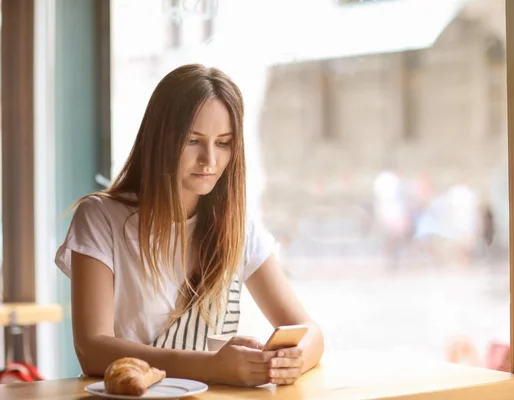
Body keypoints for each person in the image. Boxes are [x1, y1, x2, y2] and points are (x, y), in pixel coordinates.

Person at [55, 64, 324, 387]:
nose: (209, 160)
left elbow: (310, 332)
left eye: (223, 143)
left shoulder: (237, 227)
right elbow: (92, 349)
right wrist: (212, 367)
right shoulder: (100, 217)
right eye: (193, 141)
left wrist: (291, 361)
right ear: (160, 139)